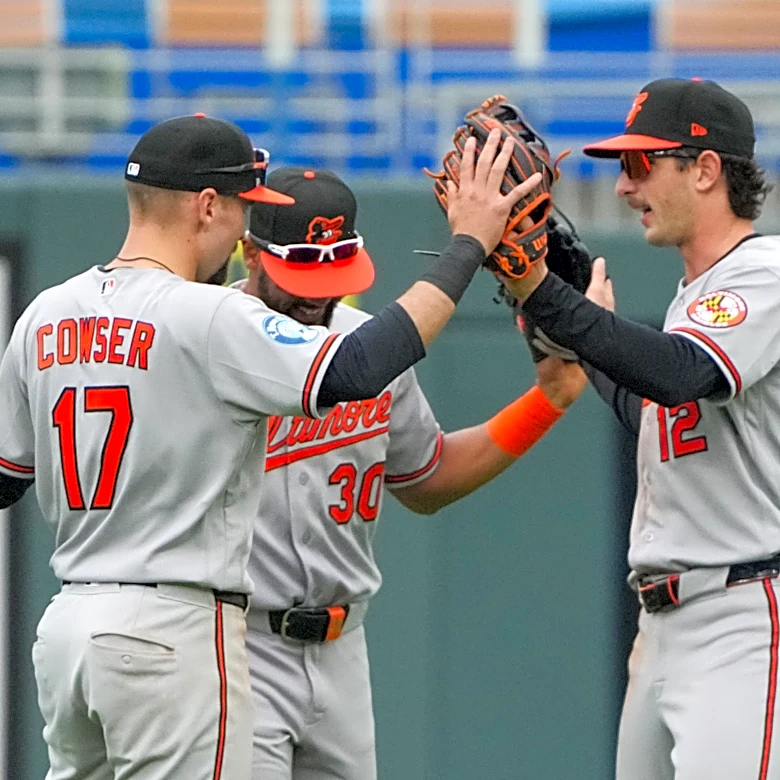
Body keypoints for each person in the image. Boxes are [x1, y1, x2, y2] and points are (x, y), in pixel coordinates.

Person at [0, 117, 540, 780]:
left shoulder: (47, 313)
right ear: (207, 206)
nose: (240, 231)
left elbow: (5, 478)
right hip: (172, 627)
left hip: (70, 630)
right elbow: (357, 369)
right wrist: (468, 244)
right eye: (241, 208)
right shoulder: (207, 315)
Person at [236, 166, 588, 780]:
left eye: (330, 274)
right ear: (250, 254)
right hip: (238, 644)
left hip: (342, 647)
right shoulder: (209, 337)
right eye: (299, 274)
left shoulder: (370, 346)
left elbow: (426, 480)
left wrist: (548, 401)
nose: (315, 297)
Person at [503, 78, 779, 779]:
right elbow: (652, 410)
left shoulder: (765, 273)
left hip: (744, 615)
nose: (625, 187)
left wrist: (550, 297)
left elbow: (680, 374)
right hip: (664, 619)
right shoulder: (695, 297)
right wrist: (568, 323)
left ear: (706, 168)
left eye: (639, 164)